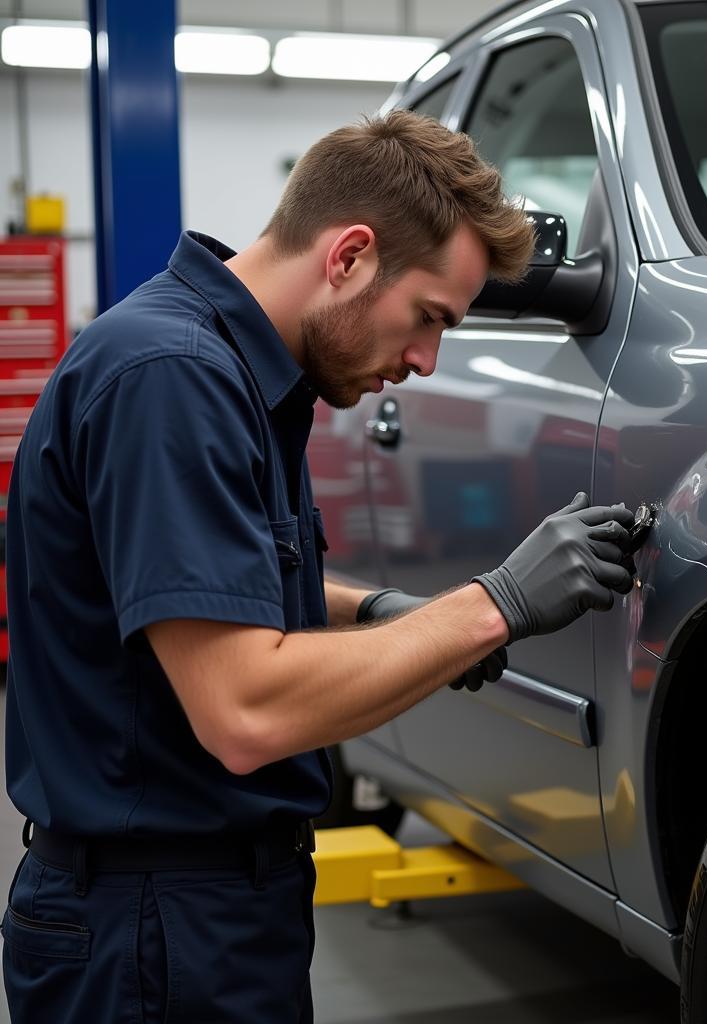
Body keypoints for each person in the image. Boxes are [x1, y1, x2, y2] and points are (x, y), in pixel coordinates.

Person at [1, 109, 636, 1022]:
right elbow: (243, 710)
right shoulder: (173, 378)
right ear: (349, 256)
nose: (426, 361)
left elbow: (218, 587)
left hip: (201, 911)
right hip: (151, 937)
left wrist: (378, 612)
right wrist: (491, 607)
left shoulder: (233, 368)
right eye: (428, 319)